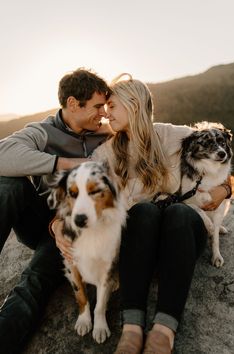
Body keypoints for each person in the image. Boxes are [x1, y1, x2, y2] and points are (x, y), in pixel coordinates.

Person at [52, 73, 231, 354]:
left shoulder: (174, 135)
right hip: (139, 242)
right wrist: (58, 223)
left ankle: (163, 330)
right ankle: (132, 327)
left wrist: (225, 190)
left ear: (134, 105)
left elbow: (218, 156)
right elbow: (82, 192)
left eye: (112, 106)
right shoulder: (105, 154)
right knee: (144, 211)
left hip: (180, 236)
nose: (105, 113)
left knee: (179, 213)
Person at [0, 68, 112, 354]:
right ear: (73, 103)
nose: (103, 113)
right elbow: (3, 156)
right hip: (40, 219)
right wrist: (70, 163)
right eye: (98, 106)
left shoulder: (105, 134)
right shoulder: (43, 131)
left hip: (74, 228)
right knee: (9, 185)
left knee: (34, 282)